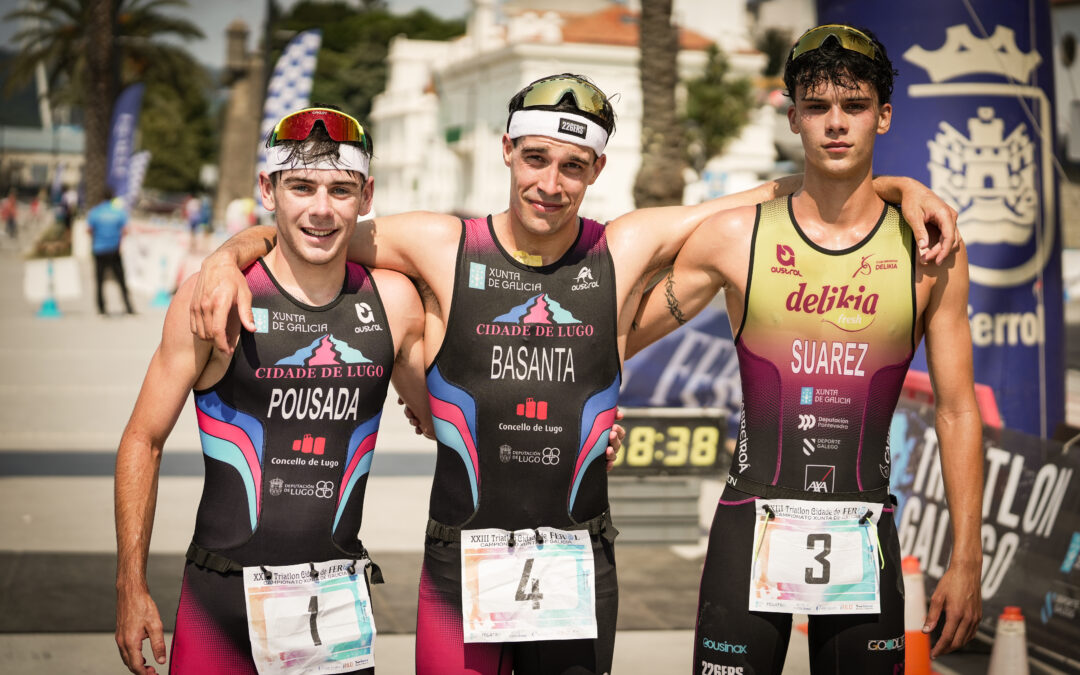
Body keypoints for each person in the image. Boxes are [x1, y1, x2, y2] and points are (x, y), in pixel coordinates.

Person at [189, 74, 959, 674]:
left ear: (595, 168)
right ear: (506, 151)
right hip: (461, 564)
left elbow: (782, 191)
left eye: (572, 165)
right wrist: (229, 254)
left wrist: (899, 189)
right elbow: (312, 228)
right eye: (535, 158)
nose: (549, 183)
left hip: (575, 564)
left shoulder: (620, 250)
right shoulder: (438, 242)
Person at [626, 25, 982, 674]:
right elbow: (619, 326)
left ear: (884, 115)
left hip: (864, 533)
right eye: (817, 107)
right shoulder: (733, 237)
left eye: (855, 106)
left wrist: (966, 559)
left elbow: (958, 410)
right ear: (793, 118)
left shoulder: (931, 252)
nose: (836, 124)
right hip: (749, 527)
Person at [114, 106, 433, 675]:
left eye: (341, 189)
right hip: (221, 602)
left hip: (334, 601)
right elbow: (143, 438)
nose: (321, 209)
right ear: (268, 188)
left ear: (366, 197)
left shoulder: (393, 303)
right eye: (301, 186)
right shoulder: (215, 298)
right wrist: (130, 584)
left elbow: (452, 416)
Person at [87, 189, 135, 316]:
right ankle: (129, 307)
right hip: (114, 250)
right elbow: (125, 230)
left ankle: (101, 309)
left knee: (99, 280)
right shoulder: (119, 212)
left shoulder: (95, 212)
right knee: (121, 280)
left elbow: (89, 230)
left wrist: (98, 237)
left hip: (99, 249)